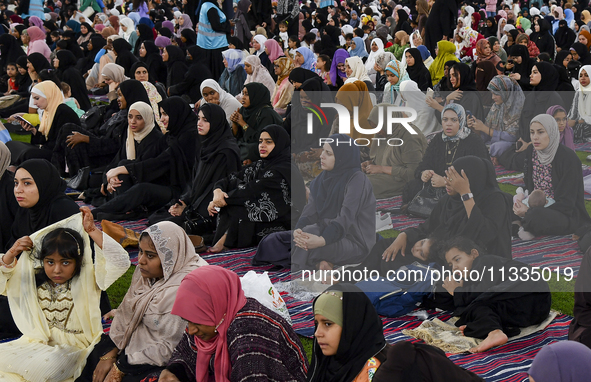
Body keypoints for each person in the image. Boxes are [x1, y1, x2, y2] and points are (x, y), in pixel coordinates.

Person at [0, 209, 131, 381]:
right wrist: (12, 252)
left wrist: (92, 230)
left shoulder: (88, 281)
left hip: (74, 349)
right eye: (50, 262)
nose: (57, 269)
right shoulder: (37, 280)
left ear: (78, 261)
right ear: (42, 261)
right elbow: (4, 279)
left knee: (48, 367)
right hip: (36, 342)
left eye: (66, 262)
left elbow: (120, 262)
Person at [87, 222, 208, 382]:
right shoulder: (145, 274)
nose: (141, 260)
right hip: (138, 341)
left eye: (150, 255)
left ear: (171, 256)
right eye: (140, 252)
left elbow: (171, 346)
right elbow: (127, 313)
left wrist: (121, 366)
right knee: (94, 357)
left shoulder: (186, 287)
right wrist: (110, 352)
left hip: (164, 358)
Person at [150, 265, 308, 381]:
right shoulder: (216, 317)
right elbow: (186, 353)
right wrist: (173, 373)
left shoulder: (248, 331)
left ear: (218, 309)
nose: (190, 330)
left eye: (196, 322)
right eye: (188, 321)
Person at [424, 236, 551, 353]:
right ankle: (495, 331)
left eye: (457, 259)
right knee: (476, 309)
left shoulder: (485, 261)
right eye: (451, 265)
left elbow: (483, 291)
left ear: (474, 254)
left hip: (531, 292)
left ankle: (493, 331)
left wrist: (457, 291)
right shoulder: (472, 279)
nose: (455, 267)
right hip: (530, 314)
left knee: (476, 304)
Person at [398, 150, 514, 258]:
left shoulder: (494, 200)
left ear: (470, 180)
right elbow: (428, 228)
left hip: (481, 264)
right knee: (392, 253)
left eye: (453, 179)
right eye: (447, 177)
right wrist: (404, 235)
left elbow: (484, 235)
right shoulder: (450, 200)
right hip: (447, 258)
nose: (446, 182)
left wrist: (466, 194)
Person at [92, 99, 194, 221]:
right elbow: (144, 158)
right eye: (161, 114)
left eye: (165, 114)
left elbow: (160, 162)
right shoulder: (171, 135)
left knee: (141, 188)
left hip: (179, 191)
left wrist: (122, 169)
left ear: (177, 114)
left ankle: (96, 213)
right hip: (161, 182)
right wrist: (117, 171)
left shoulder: (188, 137)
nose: (161, 119)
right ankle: (129, 210)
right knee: (124, 164)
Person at [148, 103, 241, 236]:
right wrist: (184, 202)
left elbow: (220, 185)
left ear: (215, 122)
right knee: (158, 217)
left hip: (212, 206)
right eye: (199, 118)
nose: (199, 123)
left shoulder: (226, 151)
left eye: (205, 120)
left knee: (168, 227)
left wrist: (188, 208)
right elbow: (195, 180)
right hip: (197, 201)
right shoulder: (205, 145)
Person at [292, 133, 376, 272]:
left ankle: (296, 272)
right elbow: (310, 212)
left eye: (328, 153)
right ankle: (318, 262)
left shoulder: (357, 180)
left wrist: (321, 241)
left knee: (303, 247)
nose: (321, 156)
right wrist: (298, 230)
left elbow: (345, 218)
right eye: (323, 150)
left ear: (343, 156)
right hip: (326, 231)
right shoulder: (321, 179)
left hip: (354, 242)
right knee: (274, 241)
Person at [207, 125, 298, 252]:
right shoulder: (261, 164)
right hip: (263, 212)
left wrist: (223, 201)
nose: (262, 145)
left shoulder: (284, 168)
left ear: (280, 143)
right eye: (260, 141)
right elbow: (231, 178)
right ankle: (224, 238)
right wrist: (217, 192)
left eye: (269, 142)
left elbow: (252, 190)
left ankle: (226, 240)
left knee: (238, 207)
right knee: (236, 193)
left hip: (283, 220)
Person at [54, 79, 151, 179]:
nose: (118, 99)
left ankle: (70, 175)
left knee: (69, 130)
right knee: (69, 131)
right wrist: (84, 135)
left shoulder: (132, 120)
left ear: (130, 95)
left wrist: (86, 138)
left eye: (121, 95)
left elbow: (114, 146)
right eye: (117, 95)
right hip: (100, 144)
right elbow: (101, 131)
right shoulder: (120, 114)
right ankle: (64, 173)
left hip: (108, 156)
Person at [513, 114, 591, 236]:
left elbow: (566, 205)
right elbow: (529, 186)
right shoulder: (531, 152)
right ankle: (525, 222)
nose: (535, 137)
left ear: (552, 132)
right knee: (505, 202)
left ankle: (523, 222)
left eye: (540, 132)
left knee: (535, 216)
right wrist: (522, 204)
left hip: (563, 214)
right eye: (532, 132)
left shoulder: (568, 158)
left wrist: (528, 211)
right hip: (535, 204)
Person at [6, 80, 81, 167]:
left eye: (37, 98)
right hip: (52, 149)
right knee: (11, 145)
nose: (34, 103)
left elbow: (59, 145)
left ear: (48, 96)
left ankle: (15, 169)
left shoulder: (63, 112)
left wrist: (42, 148)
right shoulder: (49, 112)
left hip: (63, 157)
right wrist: (34, 130)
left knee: (27, 154)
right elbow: (47, 139)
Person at [362, 104, 427, 199]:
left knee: (361, 185)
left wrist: (382, 168)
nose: (377, 131)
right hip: (386, 176)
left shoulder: (409, 136)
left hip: (403, 180)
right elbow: (385, 158)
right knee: (351, 177)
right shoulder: (385, 133)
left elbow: (414, 173)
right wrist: (369, 164)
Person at [467, 75, 524, 161]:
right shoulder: (495, 107)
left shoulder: (518, 107)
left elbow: (513, 137)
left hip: (511, 143)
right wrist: (475, 127)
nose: (493, 97)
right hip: (492, 142)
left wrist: (485, 128)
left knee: (497, 147)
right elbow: (485, 137)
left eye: (496, 94)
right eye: (492, 93)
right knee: (472, 141)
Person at [230, 83, 283, 164]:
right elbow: (236, 136)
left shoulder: (267, 113)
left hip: (263, 146)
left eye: (247, 94)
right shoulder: (243, 110)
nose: (243, 97)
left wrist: (243, 123)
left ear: (256, 96)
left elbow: (260, 139)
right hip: (246, 144)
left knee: (250, 149)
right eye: (243, 93)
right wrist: (235, 123)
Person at [195, 0, 231, 81]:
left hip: (205, 44)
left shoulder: (205, 5)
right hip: (216, 45)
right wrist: (228, 25)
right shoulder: (211, 8)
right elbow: (216, 26)